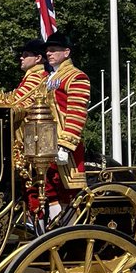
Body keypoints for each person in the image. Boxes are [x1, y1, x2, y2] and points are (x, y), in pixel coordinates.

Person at [40, 31, 90, 224]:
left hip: (63, 145)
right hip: (45, 141)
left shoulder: (76, 76)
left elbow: (76, 112)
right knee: (48, 188)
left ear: (66, 52)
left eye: (54, 50)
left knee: (69, 189)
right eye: (48, 51)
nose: (49, 54)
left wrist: (65, 144)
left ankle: (72, 226)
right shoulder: (47, 79)